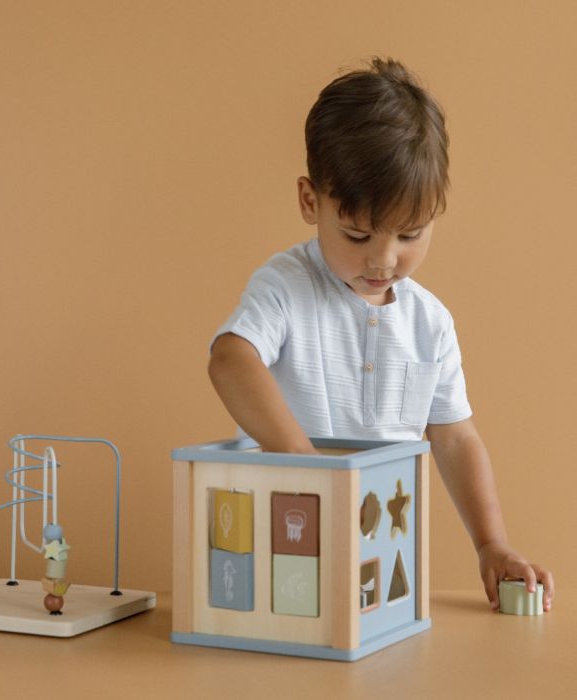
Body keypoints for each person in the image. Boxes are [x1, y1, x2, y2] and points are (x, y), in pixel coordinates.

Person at [208, 57, 554, 612]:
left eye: (410, 235)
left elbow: (455, 438)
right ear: (310, 202)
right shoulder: (287, 287)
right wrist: (304, 464)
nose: (384, 259)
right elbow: (230, 358)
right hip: (285, 536)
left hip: (382, 551)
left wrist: (492, 544)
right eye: (357, 235)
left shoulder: (430, 323)